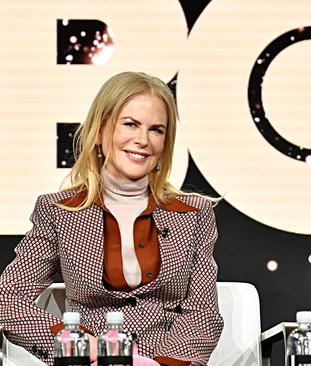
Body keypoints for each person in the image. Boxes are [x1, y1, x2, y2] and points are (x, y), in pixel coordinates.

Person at [0, 72, 223, 366]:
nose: (142, 140)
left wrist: (164, 364)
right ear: (100, 130)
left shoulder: (194, 214)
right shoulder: (60, 211)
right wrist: (74, 342)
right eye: (130, 124)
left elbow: (203, 313)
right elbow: (7, 298)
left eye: (156, 130)